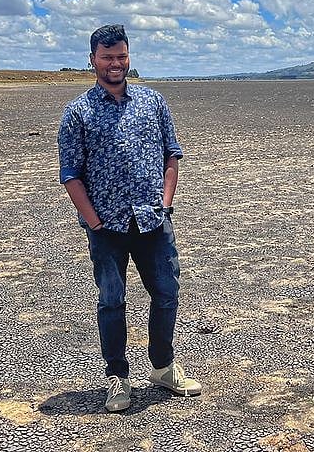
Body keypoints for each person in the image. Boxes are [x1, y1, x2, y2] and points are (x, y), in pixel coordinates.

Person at [57, 24, 202, 412]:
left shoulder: (152, 102)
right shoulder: (78, 112)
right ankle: (117, 377)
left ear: (128, 57)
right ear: (93, 61)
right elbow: (70, 174)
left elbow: (172, 153)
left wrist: (166, 204)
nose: (115, 63)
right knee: (111, 301)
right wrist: (94, 221)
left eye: (121, 56)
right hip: (107, 227)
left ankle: (163, 366)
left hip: (153, 220)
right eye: (107, 58)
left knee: (167, 294)